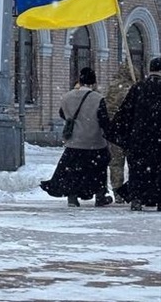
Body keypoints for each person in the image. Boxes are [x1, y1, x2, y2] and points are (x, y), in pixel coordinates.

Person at [41, 68, 113, 207]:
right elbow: (103, 120)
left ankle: (72, 197)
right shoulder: (98, 98)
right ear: (94, 82)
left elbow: (62, 114)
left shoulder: (67, 97)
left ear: (80, 80)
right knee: (98, 169)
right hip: (94, 141)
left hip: (74, 141)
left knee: (73, 170)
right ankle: (100, 195)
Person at [109, 56, 161, 211]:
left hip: (139, 138)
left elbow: (124, 114)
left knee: (138, 170)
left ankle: (137, 198)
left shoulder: (137, 88)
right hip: (158, 138)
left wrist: (123, 136)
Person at [104, 61, 136, 203]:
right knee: (133, 162)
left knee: (116, 163)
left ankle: (117, 191)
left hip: (114, 131)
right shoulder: (133, 88)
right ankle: (133, 191)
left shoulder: (112, 87)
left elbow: (106, 106)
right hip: (129, 130)